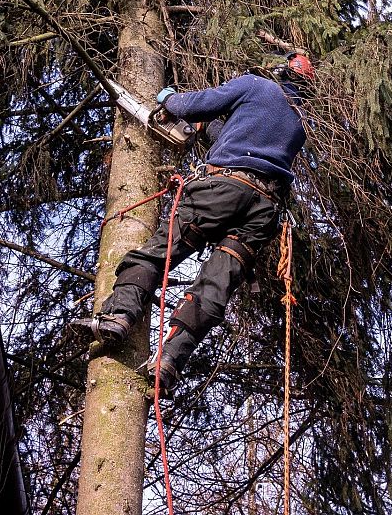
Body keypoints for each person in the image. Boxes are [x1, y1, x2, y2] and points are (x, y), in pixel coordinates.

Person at [71, 52, 314, 394]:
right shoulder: (301, 120)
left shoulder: (256, 85)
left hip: (223, 189)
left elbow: (200, 103)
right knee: (214, 287)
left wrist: (170, 99)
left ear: (276, 70)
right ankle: (169, 361)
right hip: (263, 210)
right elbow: (245, 138)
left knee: (157, 253)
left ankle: (119, 315)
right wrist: (206, 130)